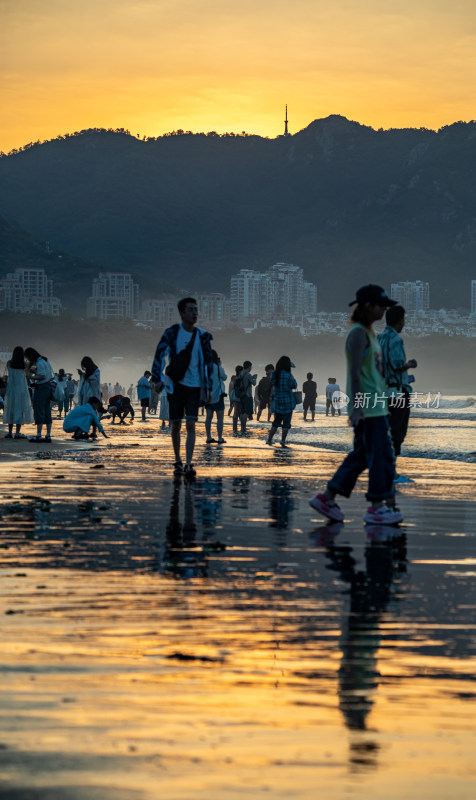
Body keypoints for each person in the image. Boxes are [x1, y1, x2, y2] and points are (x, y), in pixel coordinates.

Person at [309, 284, 403, 525]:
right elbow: (355, 373)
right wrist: (358, 407)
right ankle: (377, 506)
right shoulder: (359, 333)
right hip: (369, 407)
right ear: (369, 306)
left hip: (376, 405)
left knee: (362, 455)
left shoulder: (368, 333)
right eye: (381, 305)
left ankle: (327, 497)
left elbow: (373, 373)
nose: (384, 310)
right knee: (382, 455)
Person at [151, 297, 213, 477]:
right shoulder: (172, 333)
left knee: (191, 424)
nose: (195, 313)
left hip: (194, 387)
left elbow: (208, 363)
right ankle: (178, 460)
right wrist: (157, 378)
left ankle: (188, 463)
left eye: (196, 310)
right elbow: (159, 355)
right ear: (182, 313)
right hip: (175, 385)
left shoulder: (202, 335)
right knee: (176, 425)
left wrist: (207, 387)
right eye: (191, 310)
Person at [378, 304, 417, 482]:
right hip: (398, 392)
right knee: (397, 433)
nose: (404, 323)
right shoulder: (395, 340)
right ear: (400, 321)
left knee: (387, 431)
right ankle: (391, 472)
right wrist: (410, 364)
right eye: (404, 320)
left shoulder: (379, 338)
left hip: (383, 391)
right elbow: (397, 365)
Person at [24, 347, 55, 443]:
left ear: (31, 356)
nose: (29, 360)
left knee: (39, 409)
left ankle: (38, 435)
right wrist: (34, 371)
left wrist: (30, 376)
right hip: (48, 387)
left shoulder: (39, 362)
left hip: (41, 388)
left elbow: (42, 376)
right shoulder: (45, 360)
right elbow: (46, 373)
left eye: (28, 358)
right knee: (47, 410)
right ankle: (48, 435)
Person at [266, 356, 298, 447]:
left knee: (276, 422)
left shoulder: (274, 374)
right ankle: (283, 441)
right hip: (288, 402)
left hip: (278, 402)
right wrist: (293, 379)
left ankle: (269, 439)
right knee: (286, 424)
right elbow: (294, 385)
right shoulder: (289, 375)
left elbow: (273, 383)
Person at [3, 346, 34, 439]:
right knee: (20, 410)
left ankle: (9, 432)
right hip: (21, 389)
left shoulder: (9, 363)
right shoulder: (24, 364)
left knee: (10, 409)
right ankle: (17, 432)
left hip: (11, 389)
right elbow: (31, 372)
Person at [205, 350, 227, 444]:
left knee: (208, 417)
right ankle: (220, 438)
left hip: (208, 396)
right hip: (218, 396)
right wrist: (220, 365)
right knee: (220, 418)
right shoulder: (218, 368)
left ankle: (209, 437)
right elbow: (225, 377)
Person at [233, 360, 256, 435]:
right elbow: (254, 383)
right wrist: (254, 378)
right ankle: (243, 428)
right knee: (246, 412)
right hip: (248, 395)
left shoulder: (240, 374)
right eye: (251, 367)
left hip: (241, 395)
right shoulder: (248, 374)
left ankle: (242, 428)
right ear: (249, 367)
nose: (251, 368)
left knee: (242, 412)